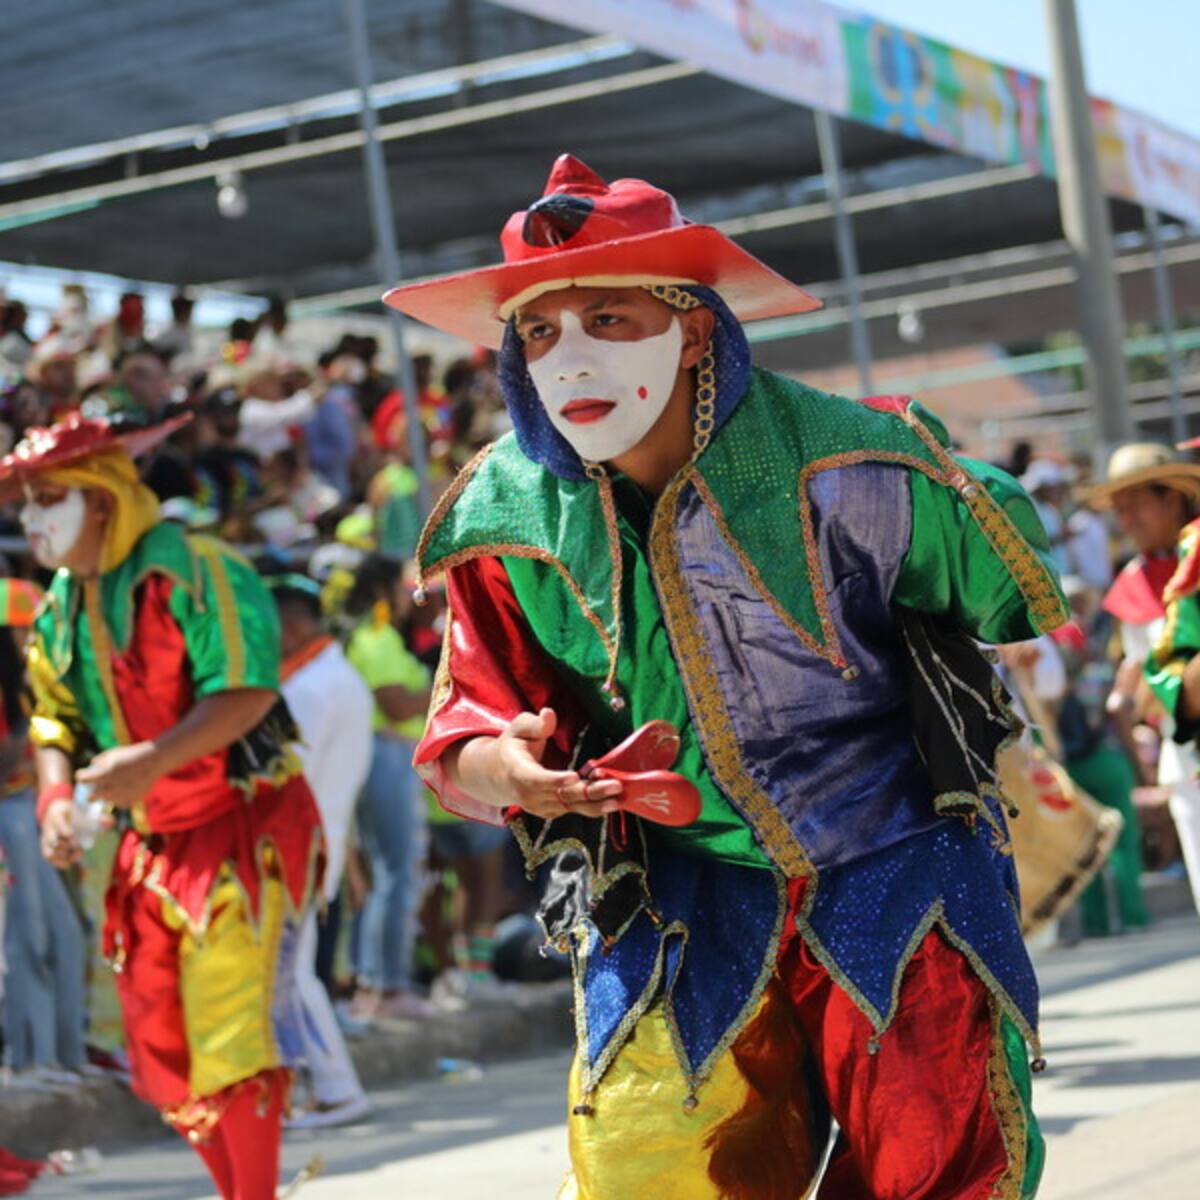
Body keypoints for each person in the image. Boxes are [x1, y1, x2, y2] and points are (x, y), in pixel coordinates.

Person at [386, 155, 1066, 1200]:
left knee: (933, 1155)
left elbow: (1008, 576)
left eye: (606, 319)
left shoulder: (850, 465)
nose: (569, 359)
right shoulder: (507, 514)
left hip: (891, 855)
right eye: (538, 332)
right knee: (641, 1164)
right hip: (677, 891)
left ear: (694, 329)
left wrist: (931, 471)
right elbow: (466, 723)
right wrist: (507, 768)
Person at [3, 413, 323, 1200]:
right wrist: (54, 795)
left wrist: (149, 760)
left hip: (243, 826)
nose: (31, 519)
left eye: (48, 498)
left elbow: (246, 689)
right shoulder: (60, 605)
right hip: (150, 842)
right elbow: (54, 718)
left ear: (102, 498)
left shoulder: (198, 568)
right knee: (158, 1047)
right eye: (25, 503)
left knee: (232, 1035)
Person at [268, 574, 373, 1128]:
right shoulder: (338, 677)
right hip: (319, 843)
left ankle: (336, 1089)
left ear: (289, 626)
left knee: (292, 976)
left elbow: (285, 779)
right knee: (292, 973)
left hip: (299, 846)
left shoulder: (311, 689)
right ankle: (323, 1088)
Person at [1088, 441, 1200, 919]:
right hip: (1187, 759)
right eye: (1119, 510)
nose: (1125, 521)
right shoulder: (1132, 585)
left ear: (1171, 496)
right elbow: (1140, 682)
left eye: (1134, 505)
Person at [0, 579, 87, 1084]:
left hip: (35, 812)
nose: (34, 640)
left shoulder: (33, 685)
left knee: (64, 934)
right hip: (12, 815)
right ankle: (31, 1058)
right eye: (24, 631)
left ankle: (65, 1054)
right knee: (26, 937)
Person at [343, 555, 433, 1023]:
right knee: (395, 874)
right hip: (387, 755)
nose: (408, 596)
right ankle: (387, 986)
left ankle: (375, 981)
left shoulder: (380, 638)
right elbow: (397, 705)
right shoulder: (375, 639)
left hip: (390, 756)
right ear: (383, 591)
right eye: (401, 587)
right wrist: (443, 686)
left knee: (388, 874)